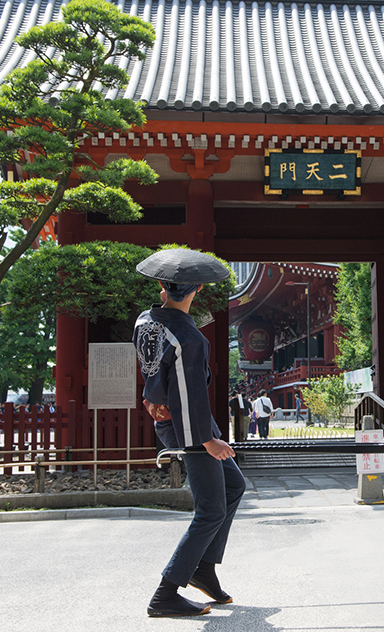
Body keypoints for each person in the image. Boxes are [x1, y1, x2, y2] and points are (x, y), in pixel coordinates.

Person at [132, 249, 247, 617]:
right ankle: (165, 594)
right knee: (210, 511)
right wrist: (206, 440)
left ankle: (203, 568)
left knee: (233, 486)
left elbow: (155, 374)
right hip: (188, 427)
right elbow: (190, 394)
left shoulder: (144, 321)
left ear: (162, 285)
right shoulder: (190, 339)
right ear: (197, 287)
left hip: (175, 418)